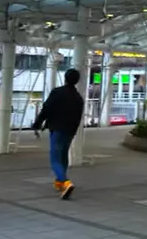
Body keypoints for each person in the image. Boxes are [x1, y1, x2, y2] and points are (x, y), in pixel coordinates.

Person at [32, 68, 85, 200]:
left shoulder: (57, 92)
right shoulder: (78, 98)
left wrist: (37, 123)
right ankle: (60, 182)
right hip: (70, 131)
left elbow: (46, 108)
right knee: (63, 156)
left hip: (57, 129)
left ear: (65, 78)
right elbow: (78, 118)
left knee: (55, 158)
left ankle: (65, 182)